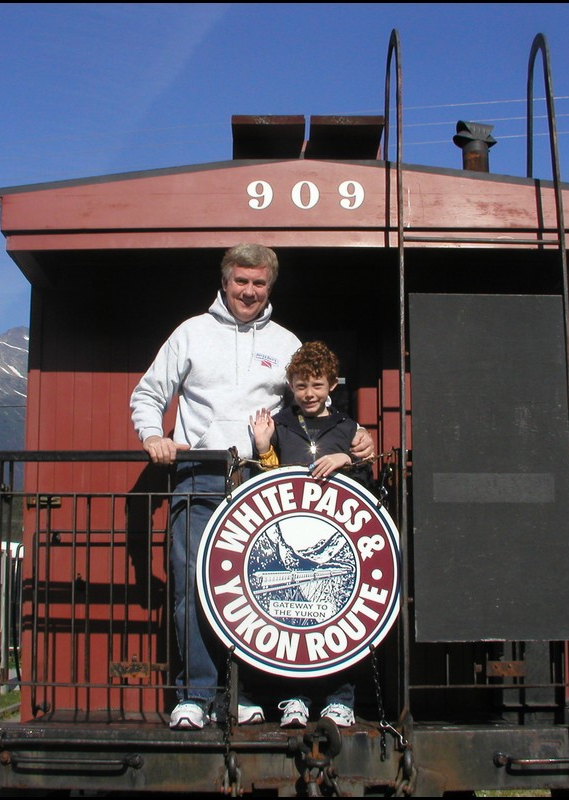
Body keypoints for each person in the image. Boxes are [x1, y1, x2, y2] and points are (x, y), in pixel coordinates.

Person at [130, 243, 373, 730]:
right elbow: (149, 393)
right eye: (241, 281)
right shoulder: (191, 334)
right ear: (225, 282)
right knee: (194, 588)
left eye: (259, 283)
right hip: (198, 477)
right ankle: (197, 697)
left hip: (262, 482)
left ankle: (250, 695)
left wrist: (355, 437)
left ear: (269, 287)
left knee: (261, 594)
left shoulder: (285, 342)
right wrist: (154, 435)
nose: (249, 291)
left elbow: (314, 404)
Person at [250, 341, 361, 728]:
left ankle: (339, 699)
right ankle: (293, 698)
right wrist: (264, 447)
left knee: (339, 625)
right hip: (293, 535)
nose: (308, 394)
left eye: (316, 385)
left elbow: (364, 480)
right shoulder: (280, 425)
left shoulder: (348, 427)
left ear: (331, 384)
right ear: (291, 387)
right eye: (300, 386)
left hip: (336, 539)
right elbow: (267, 480)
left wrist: (346, 458)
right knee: (293, 622)